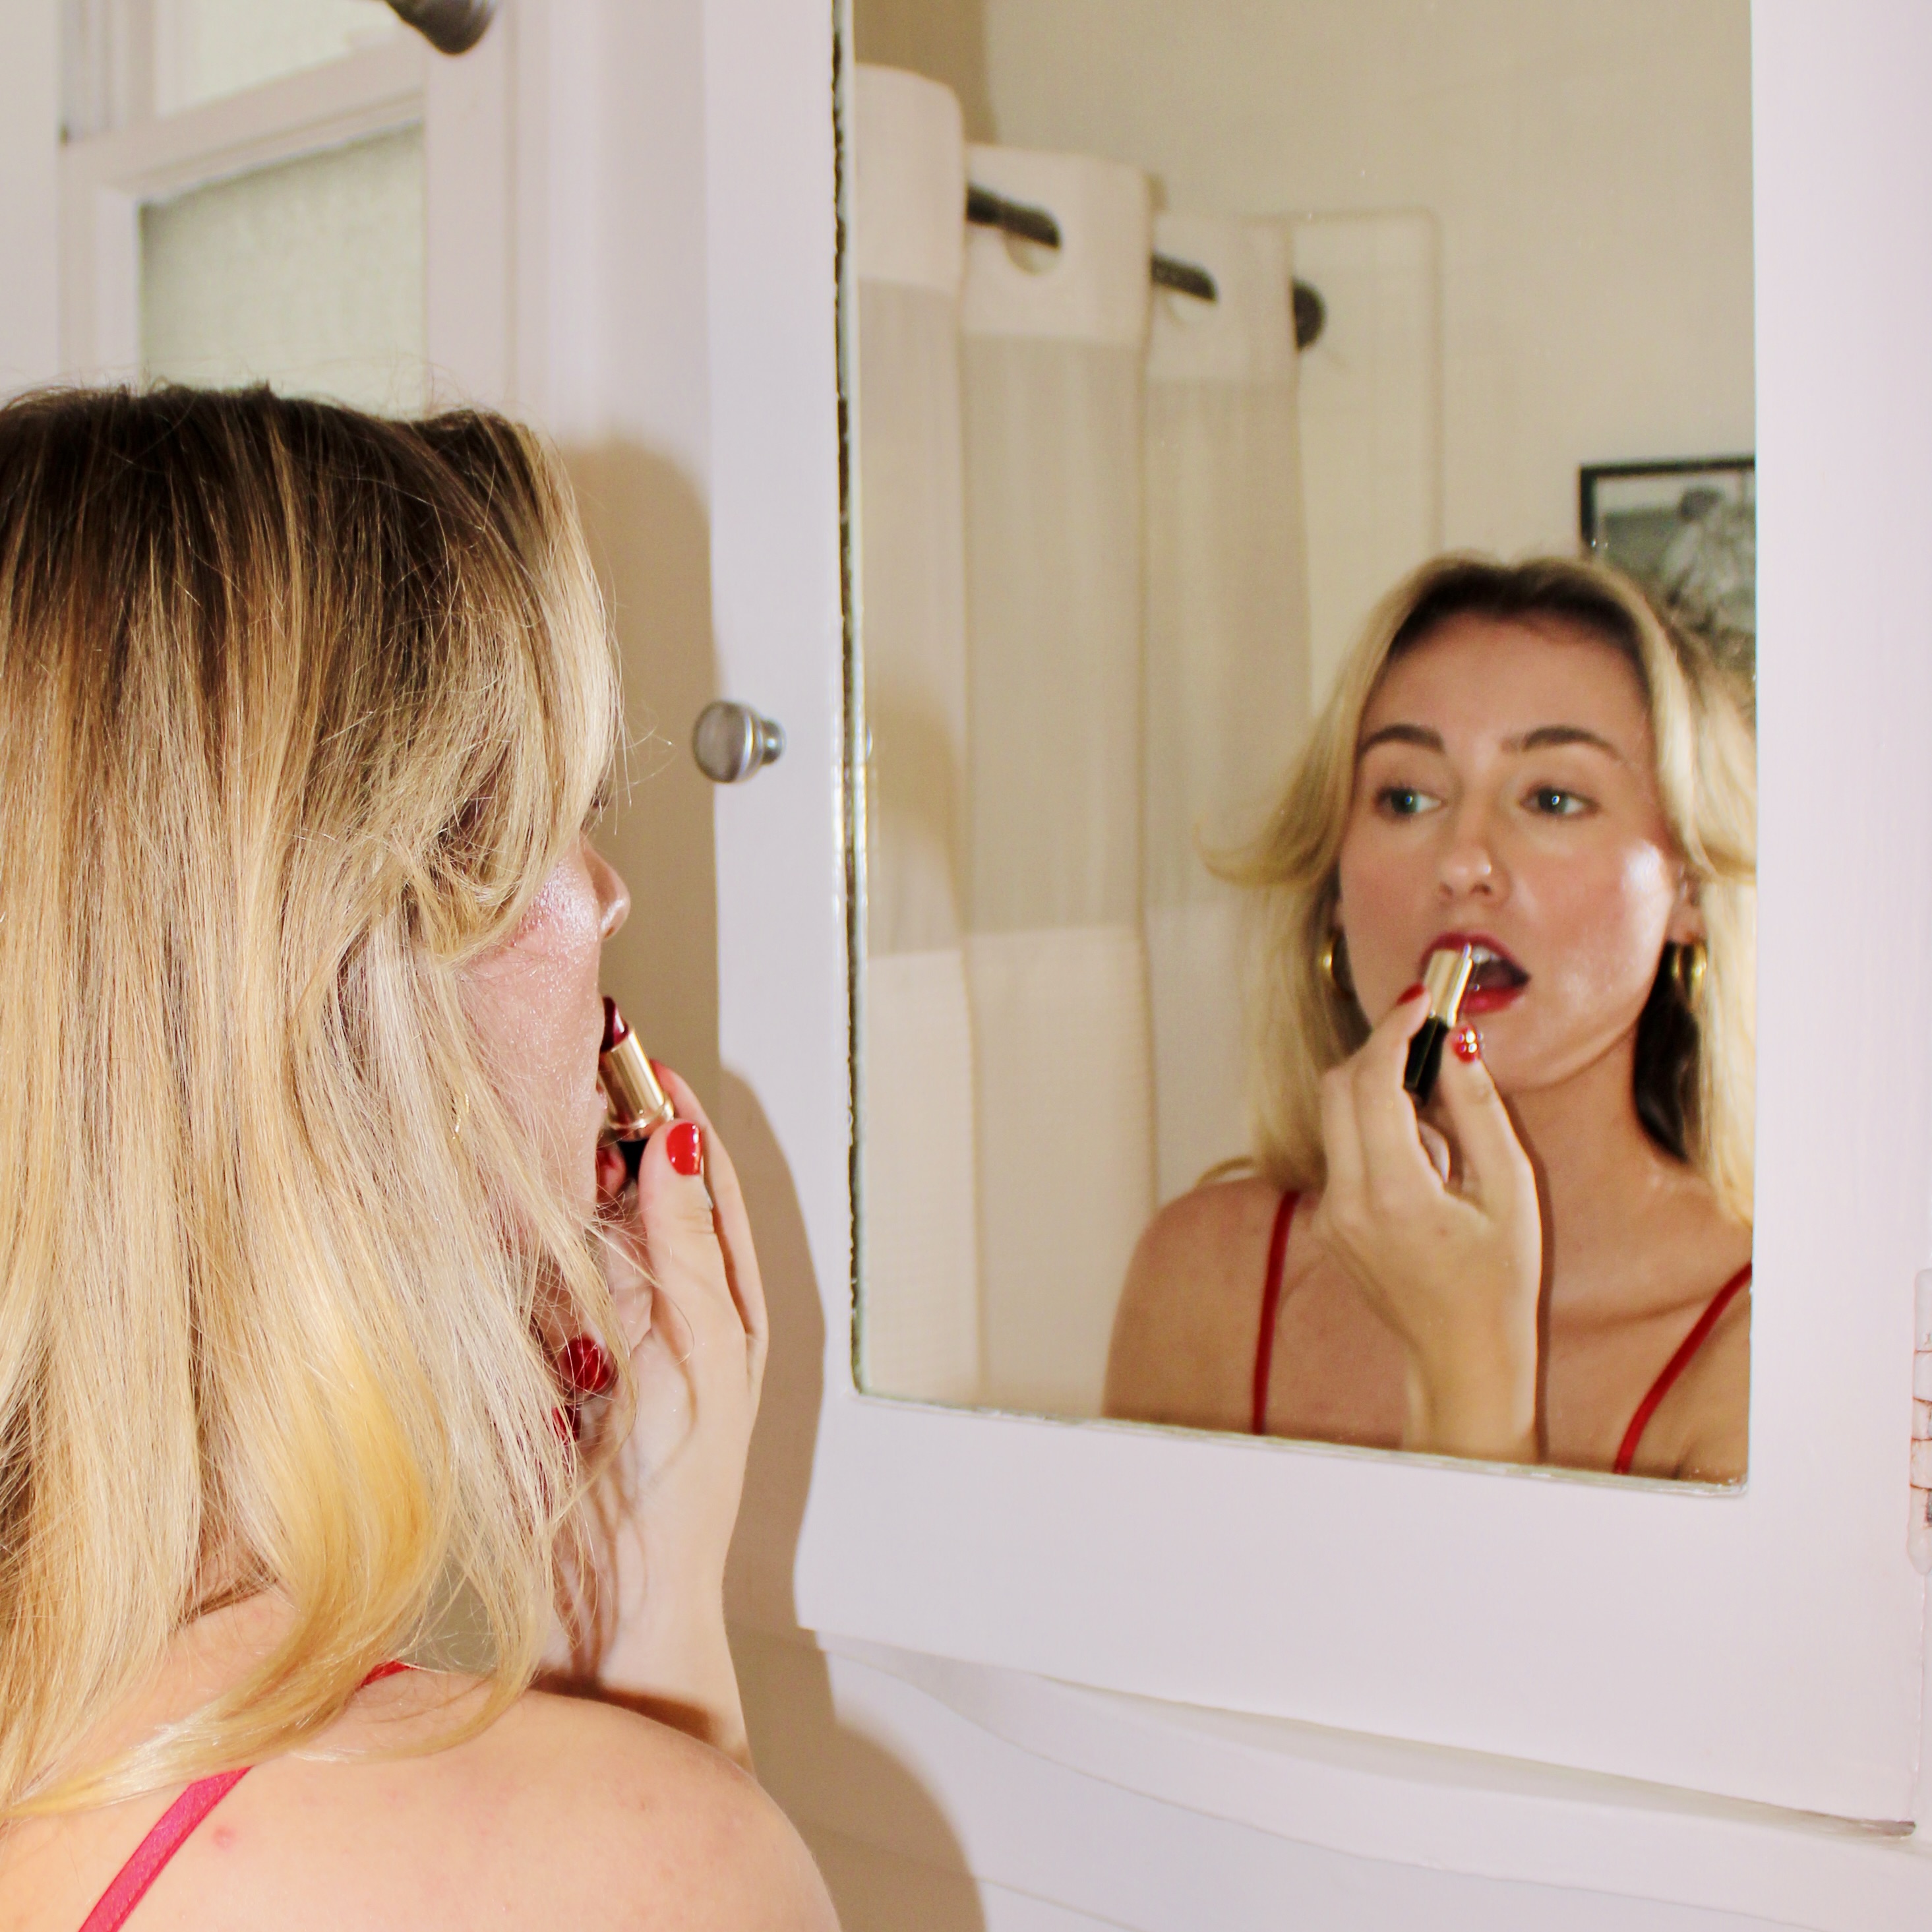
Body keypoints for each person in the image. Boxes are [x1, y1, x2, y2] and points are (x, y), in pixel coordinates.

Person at [0, 387, 835, 1930]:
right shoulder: (604, 1867)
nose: (602, 902)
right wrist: (663, 1718)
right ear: (306, 986)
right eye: (524, 833)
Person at [1106, 555, 1755, 1482]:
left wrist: (1467, 1368)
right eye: (1406, 797)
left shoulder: (1773, 1359)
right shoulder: (1203, 1276)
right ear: (1332, 888)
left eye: (1551, 797)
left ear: (1686, 889)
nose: (1462, 861)